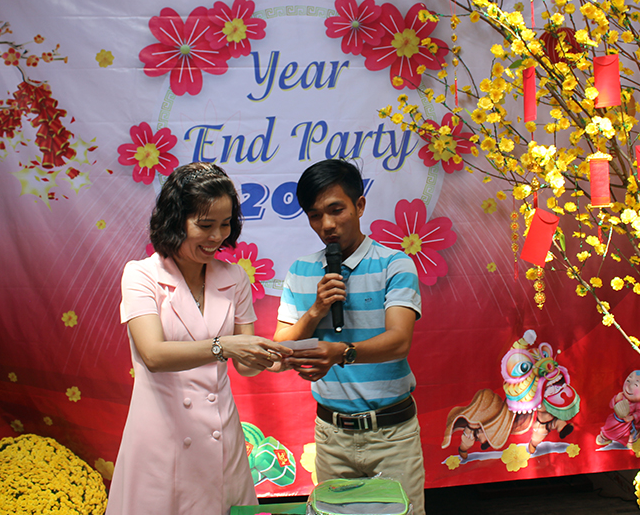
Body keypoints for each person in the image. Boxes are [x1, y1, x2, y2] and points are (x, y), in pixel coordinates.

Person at [107, 163, 291, 515]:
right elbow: (153, 355)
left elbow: (245, 366)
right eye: (205, 225)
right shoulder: (141, 275)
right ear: (175, 221)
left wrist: (271, 357)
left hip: (221, 436)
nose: (217, 236)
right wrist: (224, 346)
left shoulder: (234, 277)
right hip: (162, 437)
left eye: (226, 224)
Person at [274, 159, 426, 515]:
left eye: (336, 210)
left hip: (392, 434)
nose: (326, 225)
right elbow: (280, 349)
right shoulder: (300, 271)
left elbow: (399, 340)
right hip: (331, 435)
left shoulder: (394, 264)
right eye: (314, 216)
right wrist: (315, 311)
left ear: (359, 205)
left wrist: (340, 353)